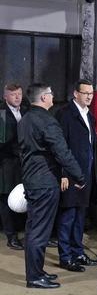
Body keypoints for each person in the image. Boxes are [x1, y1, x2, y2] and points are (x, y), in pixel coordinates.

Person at [18, 83, 85, 289]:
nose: (53, 96)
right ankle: (34, 278)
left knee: (34, 229)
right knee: (39, 232)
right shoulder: (47, 121)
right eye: (51, 93)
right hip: (45, 182)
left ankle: (37, 271)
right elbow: (62, 152)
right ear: (44, 98)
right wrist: (79, 176)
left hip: (31, 180)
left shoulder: (26, 119)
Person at [54, 79, 97, 272]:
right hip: (71, 174)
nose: (89, 96)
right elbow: (60, 147)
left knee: (80, 216)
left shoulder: (89, 115)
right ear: (76, 94)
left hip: (86, 174)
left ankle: (78, 252)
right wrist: (64, 173)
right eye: (85, 93)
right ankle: (65, 257)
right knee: (68, 217)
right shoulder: (65, 114)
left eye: (91, 93)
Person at [0, 83, 26, 250]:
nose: (17, 97)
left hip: (22, 164)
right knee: (6, 200)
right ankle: (11, 236)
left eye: (19, 94)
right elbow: (2, 142)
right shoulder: (1, 114)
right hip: (6, 164)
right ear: (5, 97)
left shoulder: (25, 110)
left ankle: (25, 233)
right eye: (13, 94)